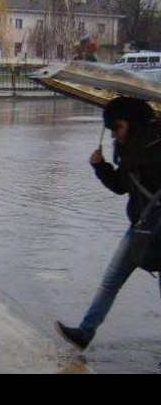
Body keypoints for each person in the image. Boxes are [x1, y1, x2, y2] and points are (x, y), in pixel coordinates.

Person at [55, 96, 161, 351]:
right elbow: (121, 187)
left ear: (133, 123)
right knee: (111, 280)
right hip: (139, 225)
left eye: (118, 127)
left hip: (158, 228)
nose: (115, 134)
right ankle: (84, 333)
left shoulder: (157, 145)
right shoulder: (127, 149)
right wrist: (101, 166)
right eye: (112, 129)